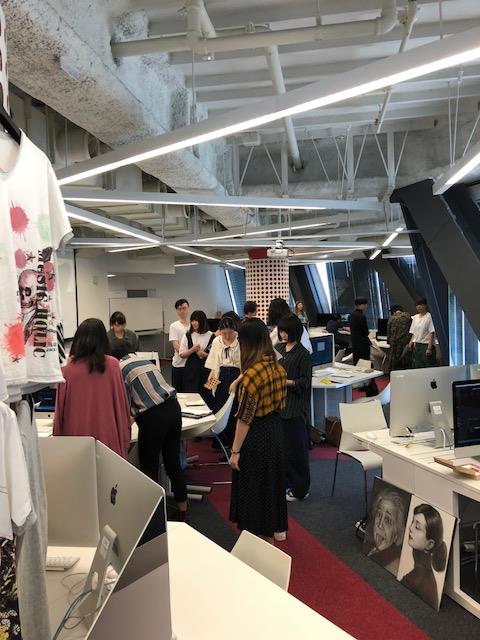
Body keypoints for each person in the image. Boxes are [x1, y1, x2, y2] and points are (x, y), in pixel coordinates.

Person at [111, 343, 188, 521]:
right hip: (173, 408)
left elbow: (124, 404)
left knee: (149, 468)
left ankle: (154, 517)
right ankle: (182, 511)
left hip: (153, 417)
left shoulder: (119, 368)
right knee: (173, 463)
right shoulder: (145, 362)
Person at [229, 318, 287, 541]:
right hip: (275, 431)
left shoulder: (252, 376)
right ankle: (270, 537)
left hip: (256, 436)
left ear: (248, 343)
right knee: (270, 489)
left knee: (253, 492)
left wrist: (235, 451)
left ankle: (256, 544)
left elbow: (244, 419)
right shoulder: (277, 368)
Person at [53, 318, 131, 458]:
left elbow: (60, 408)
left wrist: (57, 438)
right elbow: (121, 405)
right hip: (108, 438)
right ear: (103, 339)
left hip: (75, 439)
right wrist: (125, 436)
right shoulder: (113, 365)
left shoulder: (67, 367)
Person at [276, 314, 311, 502]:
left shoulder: (303, 353)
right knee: (282, 450)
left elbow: (305, 382)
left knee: (296, 451)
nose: (283, 334)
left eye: (286, 331)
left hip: (294, 407)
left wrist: (288, 382)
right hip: (278, 405)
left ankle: (300, 489)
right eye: (281, 331)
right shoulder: (279, 348)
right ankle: (286, 484)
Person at [401, 503, 447, 610]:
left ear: (430, 544)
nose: (410, 528)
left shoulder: (421, 579)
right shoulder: (420, 572)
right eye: (412, 522)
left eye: (417, 527)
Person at [205, 315, 241, 448]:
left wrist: (237, 381)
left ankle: (232, 442)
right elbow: (214, 362)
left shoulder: (240, 340)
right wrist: (211, 376)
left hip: (236, 376)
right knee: (218, 406)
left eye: (229, 333)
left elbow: (244, 365)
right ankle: (219, 441)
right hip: (220, 374)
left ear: (234, 329)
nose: (227, 336)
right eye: (224, 333)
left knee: (233, 408)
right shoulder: (217, 341)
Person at [364, 487, 408, 576]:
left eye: (387, 520)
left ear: (396, 534)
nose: (380, 525)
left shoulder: (394, 566)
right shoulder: (369, 546)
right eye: (379, 514)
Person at [179, 310, 214, 401]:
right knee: (190, 395)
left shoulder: (212, 336)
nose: (194, 323)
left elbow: (216, 357)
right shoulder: (187, 335)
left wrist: (205, 355)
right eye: (192, 320)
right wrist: (192, 350)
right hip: (191, 371)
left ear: (203, 321)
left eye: (196, 320)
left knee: (207, 395)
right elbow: (181, 354)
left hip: (207, 371)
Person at [348, 297, 378, 396]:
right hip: (363, 343)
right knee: (365, 364)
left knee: (357, 363)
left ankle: (359, 384)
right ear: (361, 305)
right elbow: (365, 331)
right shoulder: (361, 316)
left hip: (355, 343)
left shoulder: (351, 315)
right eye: (365, 304)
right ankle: (367, 385)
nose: (366, 306)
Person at [408, 298, 436, 368]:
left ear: (425, 305)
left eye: (421, 305)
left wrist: (429, 348)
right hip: (417, 344)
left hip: (426, 344)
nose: (419, 307)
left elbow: (431, 332)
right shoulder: (415, 317)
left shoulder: (429, 316)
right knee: (417, 364)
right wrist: (410, 343)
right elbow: (414, 332)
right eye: (417, 305)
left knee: (428, 364)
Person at [169, 298, 190, 391]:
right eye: (179, 309)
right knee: (178, 392)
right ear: (177, 310)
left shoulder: (193, 325)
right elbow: (175, 345)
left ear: (188, 308)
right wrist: (189, 352)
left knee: (190, 391)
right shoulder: (174, 326)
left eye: (184, 308)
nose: (182, 311)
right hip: (179, 365)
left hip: (191, 365)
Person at [386, 304, 412, 372]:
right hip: (406, 342)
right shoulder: (408, 317)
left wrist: (389, 342)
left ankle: (393, 373)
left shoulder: (392, 318)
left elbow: (389, 332)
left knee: (394, 360)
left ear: (393, 311)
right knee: (405, 359)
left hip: (394, 343)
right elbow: (412, 329)